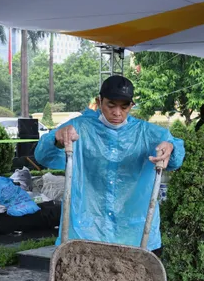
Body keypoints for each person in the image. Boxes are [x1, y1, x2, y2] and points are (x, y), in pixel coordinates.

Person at [34, 75, 184, 255]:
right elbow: (43, 155)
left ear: (131, 106)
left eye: (124, 106)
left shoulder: (147, 133)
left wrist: (171, 147)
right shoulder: (79, 127)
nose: (117, 113)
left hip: (135, 233)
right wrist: (57, 138)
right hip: (86, 231)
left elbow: (175, 160)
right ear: (99, 102)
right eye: (111, 105)